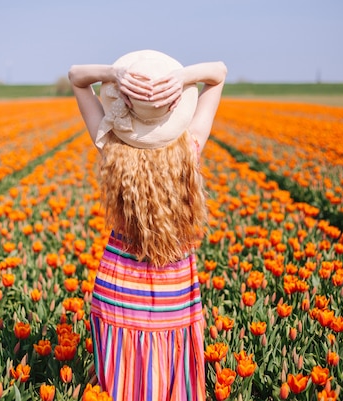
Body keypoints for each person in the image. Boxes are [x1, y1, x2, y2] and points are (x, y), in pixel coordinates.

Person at [68, 49, 226, 401]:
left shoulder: (112, 148)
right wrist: (182, 79)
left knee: (123, 386)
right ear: (175, 106)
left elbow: (76, 77)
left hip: (118, 290)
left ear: (125, 102)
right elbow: (218, 73)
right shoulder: (190, 149)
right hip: (175, 294)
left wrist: (114, 73)